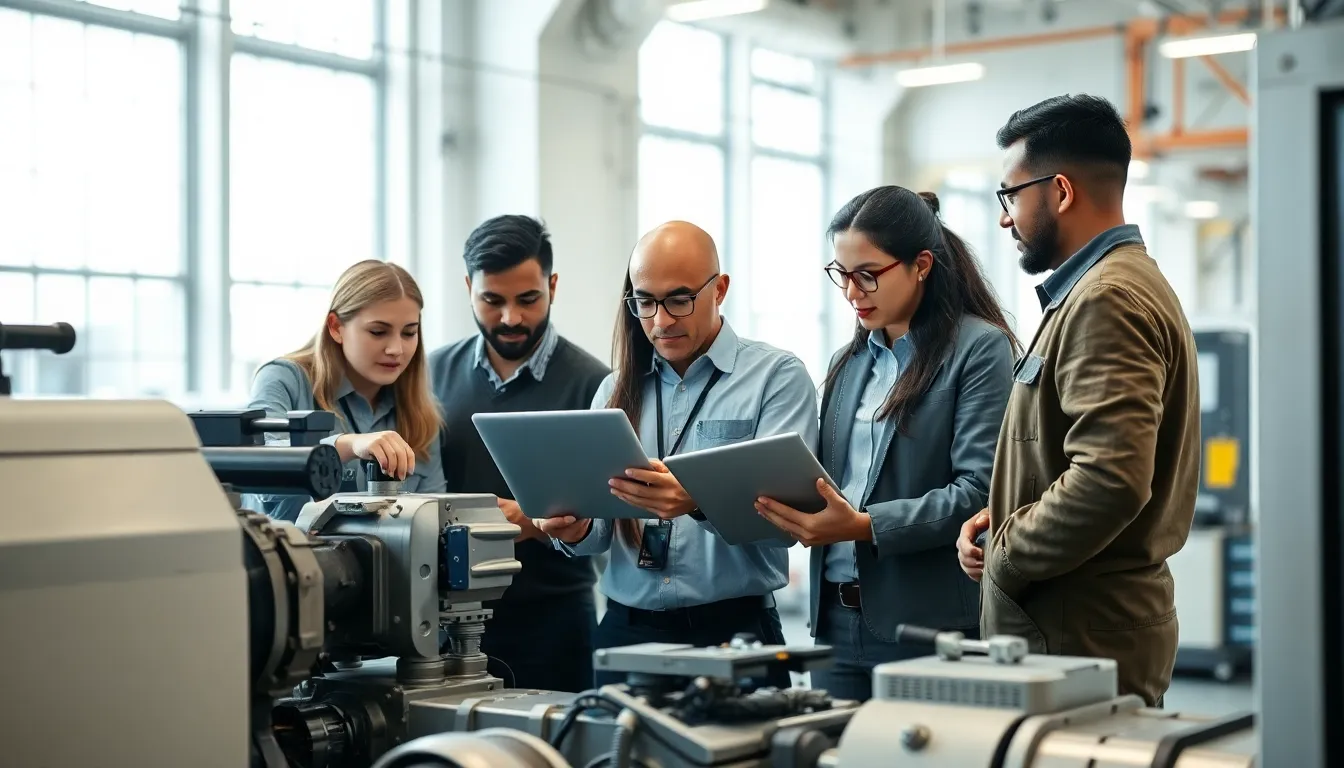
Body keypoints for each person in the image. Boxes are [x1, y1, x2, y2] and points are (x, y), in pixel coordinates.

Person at [956, 94, 1200, 707]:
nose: (1006, 220)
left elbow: (1109, 479)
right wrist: (1002, 516)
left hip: (1076, 633)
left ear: (1060, 191)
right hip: (1078, 627)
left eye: (1011, 196)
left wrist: (1007, 552)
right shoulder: (1105, 288)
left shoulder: (1105, 299)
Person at [754, 187, 1017, 702]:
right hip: (834, 620)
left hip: (925, 624)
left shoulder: (979, 349)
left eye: (868, 274)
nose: (852, 292)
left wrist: (863, 526)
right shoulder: (847, 363)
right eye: (841, 274)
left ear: (921, 265)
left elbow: (979, 490)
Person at [536, 221, 818, 688]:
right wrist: (575, 528)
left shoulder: (776, 377)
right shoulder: (614, 389)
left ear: (720, 289)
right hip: (626, 631)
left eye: (679, 300)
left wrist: (698, 501)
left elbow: (787, 526)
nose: (661, 321)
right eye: (645, 302)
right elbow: (598, 532)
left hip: (732, 631)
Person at [427, 215, 609, 693]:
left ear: (553, 286)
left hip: (555, 621)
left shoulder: (597, 385)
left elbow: (612, 510)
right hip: (444, 620)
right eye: (492, 301)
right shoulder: (428, 377)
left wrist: (532, 521)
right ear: (468, 288)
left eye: (528, 299)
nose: (510, 318)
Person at [246, 260, 446, 522]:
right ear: (335, 327)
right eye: (378, 332)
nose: (396, 349)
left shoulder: (420, 412)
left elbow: (434, 517)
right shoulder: (284, 378)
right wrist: (347, 445)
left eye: (409, 333)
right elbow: (259, 471)